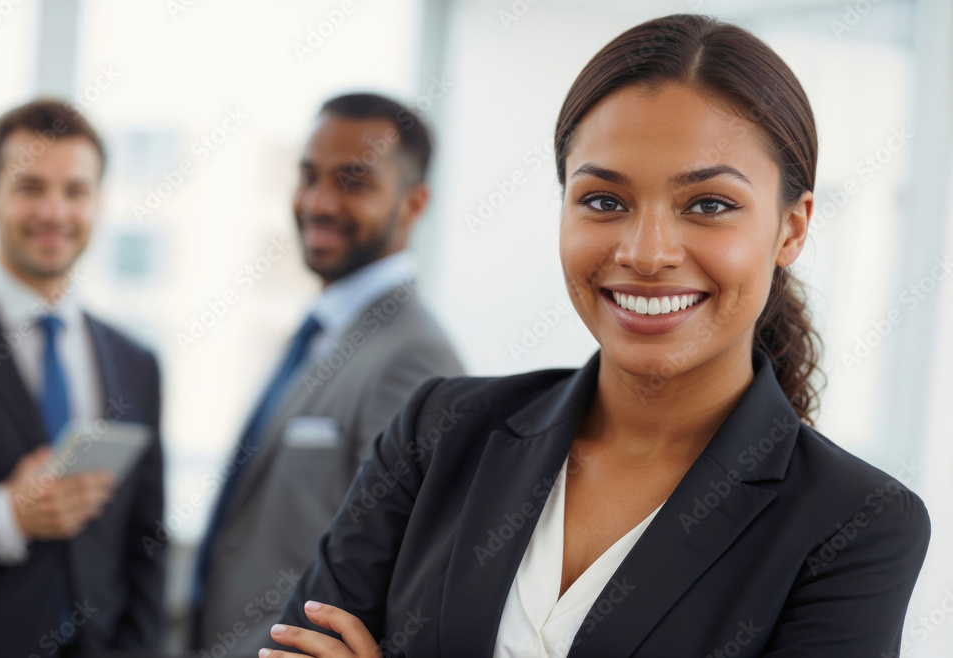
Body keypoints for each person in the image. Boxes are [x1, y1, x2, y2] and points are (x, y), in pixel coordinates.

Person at [261, 14, 931, 658]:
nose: (646, 251)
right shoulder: (440, 432)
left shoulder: (856, 526)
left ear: (791, 229)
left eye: (709, 205)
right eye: (605, 201)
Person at [190, 93, 464, 656]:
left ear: (413, 204)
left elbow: (395, 579)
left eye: (353, 181)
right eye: (309, 176)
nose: (318, 201)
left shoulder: (412, 358)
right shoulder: (320, 332)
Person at [0, 100, 166, 656]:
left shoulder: (135, 361)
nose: (54, 211)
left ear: (97, 203)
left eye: (75, 191)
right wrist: (2, 516)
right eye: (30, 187)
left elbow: (146, 542)